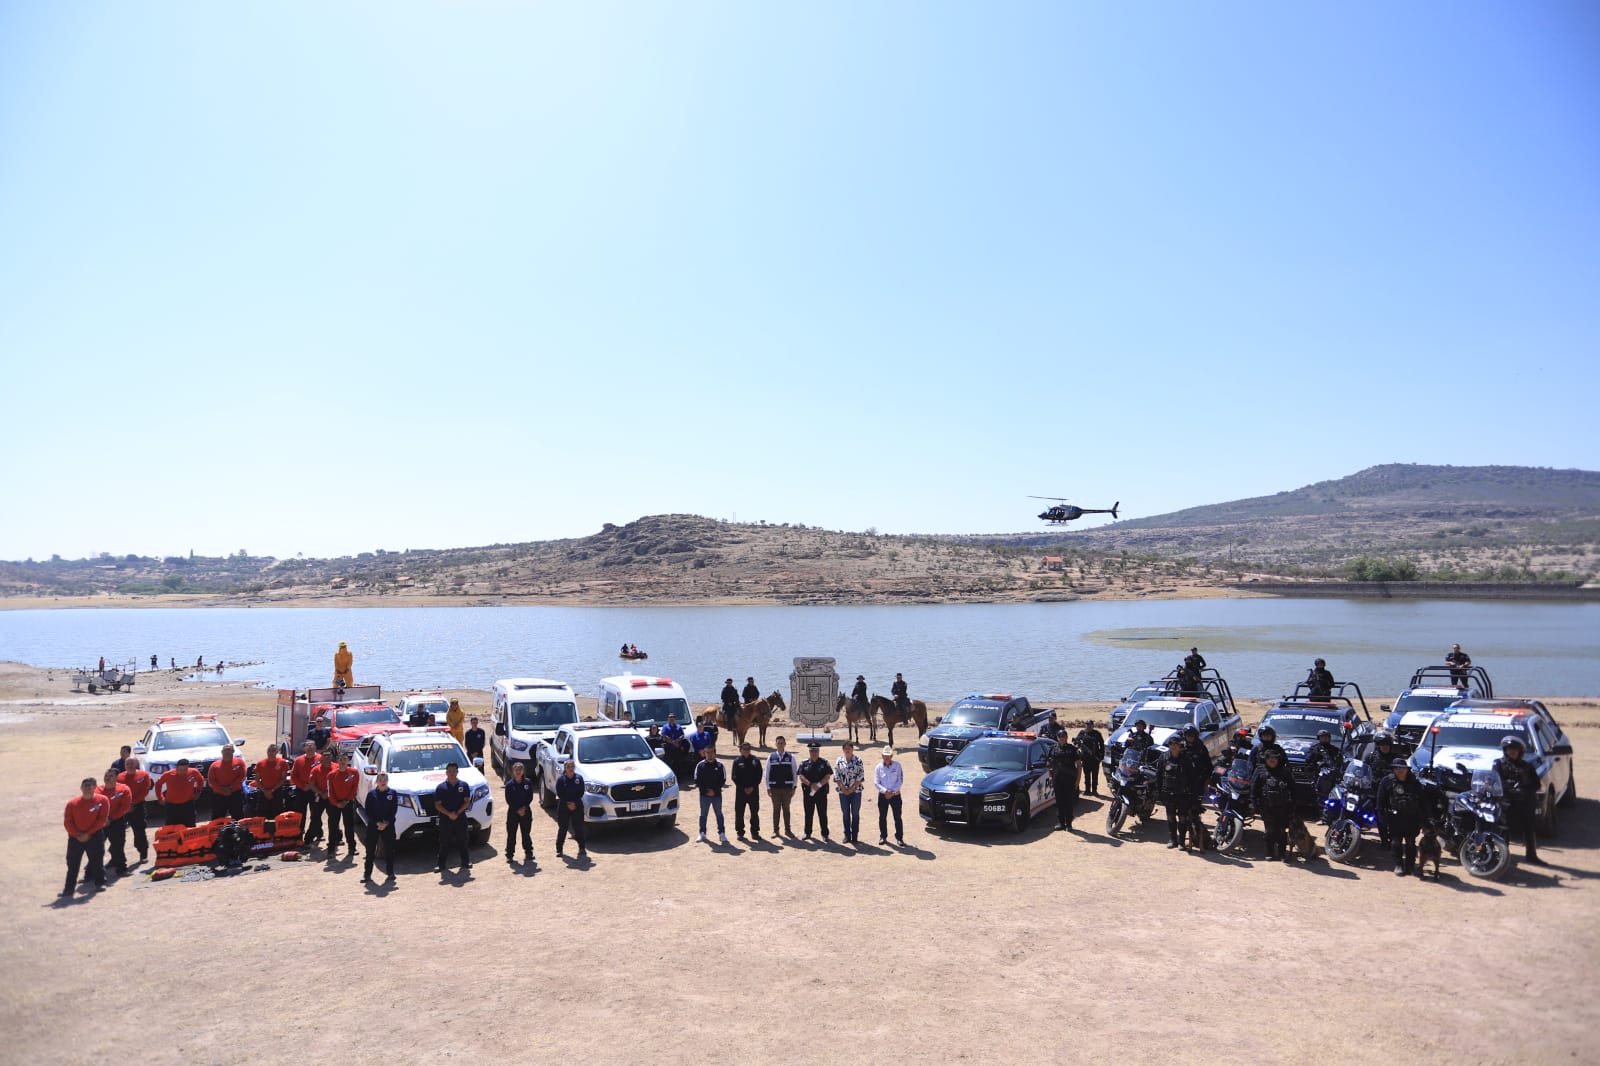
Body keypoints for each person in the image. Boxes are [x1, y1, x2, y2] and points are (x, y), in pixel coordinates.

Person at [1495, 736, 1542, 864]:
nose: (1512, 752)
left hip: (1525, 802)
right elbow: (1496, 781)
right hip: (1507, 803)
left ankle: (1531, 856)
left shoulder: (1527, 766)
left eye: (1515, 749)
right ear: (1505, 750)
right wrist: (1509, 787)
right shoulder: (1498, 764)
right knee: (1504, 830)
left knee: (1529, 828)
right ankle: (1503, 857)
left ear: (1520, 751)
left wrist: (1523, 788)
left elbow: (1537, 784)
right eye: (1509, 749)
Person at [1376, 758, 1425, 876]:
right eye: (1396, 768)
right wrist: (1381, 818)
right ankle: (1398, 864)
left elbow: (1423, 801)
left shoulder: (1414, 783)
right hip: (1394, 818)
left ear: (1407, 769)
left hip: (1411, 818)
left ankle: (1410, 865)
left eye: (1402, 768)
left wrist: (1425, 819)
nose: (1400, 771)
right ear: (1393, 769)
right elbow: (1380, 801)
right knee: (1396, 842)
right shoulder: (1387, 782)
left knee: (1410, 843)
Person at [62, 777, 109, 896]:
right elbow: (68, 822)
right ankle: (68, 889)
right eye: (85, 786)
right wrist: (77, 835)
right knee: (73, 864)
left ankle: (100, 883)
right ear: (81, 788)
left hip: (94, 835)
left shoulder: (102, 800)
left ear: (95, 787)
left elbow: (102, 819)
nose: (87, 788)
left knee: (97, 861)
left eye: (90, 785)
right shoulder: (72, 804)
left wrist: (88, 834)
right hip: (75, 838)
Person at [1251, 750, 1297, 862]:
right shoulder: (1260, 770)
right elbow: (1254, 787)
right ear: (1266, 759)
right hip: (1266, 806)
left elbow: (1293, 788)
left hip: (1283, 806)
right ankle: (1269, 853)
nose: (1272, 761)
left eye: (1275, 758)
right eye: (1270, 758)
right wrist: (1254, 803)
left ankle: (1282, 854)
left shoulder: (1285, 771)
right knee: (1269, 831)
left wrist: (1293, 805)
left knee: (1281, 831)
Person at [433, 763, 472, 873]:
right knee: (444, 841)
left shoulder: (463, 785)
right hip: (445, 818)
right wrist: (449, 814)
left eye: (454, 771)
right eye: (449, 771)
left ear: (457, 772)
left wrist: (457, 813)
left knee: (463, 840)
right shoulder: (441, 787)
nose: (452, 773)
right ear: (446, 772)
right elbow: (437, 805)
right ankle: (441, 865)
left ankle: (465, 862)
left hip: (460, 817)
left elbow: (467, 802)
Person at [362, 772, 399, 883]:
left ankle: (390, 873)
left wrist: (386, 823)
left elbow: (394, 810)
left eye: (385, 780)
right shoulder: (371, 794)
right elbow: (368, 811)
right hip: (374, 826)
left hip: (388, 826)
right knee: (370, 850)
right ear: (376, 782)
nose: (383, 782)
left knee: (389, 850)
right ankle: (367, 875)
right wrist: (377, 823)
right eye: (380, 780)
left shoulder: (393, 793)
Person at [97, 768, 134, 875]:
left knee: (118, 846)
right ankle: (91, 872)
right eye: (106, 776)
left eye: (110, 776)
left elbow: (125, 807)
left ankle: (122, 868)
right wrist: (103, 820)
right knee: (96, 847)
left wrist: (111, 818)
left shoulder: (124, 789)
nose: (107, 778)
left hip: (117, 821)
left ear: (116, 778)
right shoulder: (98, 790)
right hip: (101, 823)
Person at [117, 757, 153, 865]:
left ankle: (143, 853)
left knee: (139, 831)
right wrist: (126, 806)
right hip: (123, 809)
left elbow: (145, 791)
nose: (129, 766)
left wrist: (132, 804)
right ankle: (117, 859)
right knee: (118, 834)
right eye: (127, 764)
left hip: (138, 807)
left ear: (136, 764)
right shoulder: (119, 777)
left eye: (132, 763)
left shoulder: (144, 775)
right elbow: (117, 792)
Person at [325, 752, 361, 855]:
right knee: (333, 826)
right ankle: (331, 849)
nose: (342, 761)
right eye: (340, 759)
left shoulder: (354, 773)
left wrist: (347, 800)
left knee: (349, 826)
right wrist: (336, 803)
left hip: (348, 803)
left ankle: (352, 848)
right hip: (334, 804)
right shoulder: (331, 775)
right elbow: (330, 791)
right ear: (337, 761)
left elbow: (354, 788)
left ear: (348, 760)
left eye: (345, 759)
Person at [693, 745, 729, 844]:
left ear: (715, 753)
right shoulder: (700, 765)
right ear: (704, 753)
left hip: (717, 795)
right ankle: (702, 833)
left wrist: (715, 791)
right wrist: (706, 791)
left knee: (719, 814)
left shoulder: (720, 765)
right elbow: (697, 779)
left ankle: (722, 833)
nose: (709, 754)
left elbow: (723, 779)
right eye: (707, 752)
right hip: (704, 795)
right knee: (703, 815)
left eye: (711, 752)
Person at [155, 758, 205, 827]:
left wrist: (198, 792)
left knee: (190, 826)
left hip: (188, 804)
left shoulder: (193, 772)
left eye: (185, 769)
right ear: (177, 768)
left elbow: (200, 780)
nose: (183, 772)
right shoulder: (168, 775)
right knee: (171, 827)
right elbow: (158, 784)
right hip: (172, 806)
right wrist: (160, 798)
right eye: (181, 769)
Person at [553, 758, 589, 858]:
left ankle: (582, 848)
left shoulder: (579, 778)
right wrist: (568, 803)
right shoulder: (561, 780)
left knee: (578, 827)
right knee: (563, 828)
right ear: (565, 768)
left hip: (577, 805)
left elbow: (581, 792)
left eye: (572, 766)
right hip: (564, 806)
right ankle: (559, 849)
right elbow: (559, 793)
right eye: (568, 767)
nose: (570, 768)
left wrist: (574, 803)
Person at [798, 743, 833, 840]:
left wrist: (818, 785)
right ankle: (807, 833)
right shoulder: (804, 763)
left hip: (821, 792)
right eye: (812, 751)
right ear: (809, 752)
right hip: (808, 793)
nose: (814, 753)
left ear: (818, 751)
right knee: (808, 813)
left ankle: (825, 834)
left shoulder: (824, 762)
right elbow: (801, 776)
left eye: (816, 751)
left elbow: (828, 776)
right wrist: (810, 784)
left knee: (822, 814)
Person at [290, 740, 321, 844]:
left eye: (312, 745)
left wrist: (314, 786)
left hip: (315, 791)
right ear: (304, 748)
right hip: (301, 790)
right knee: (300, 814)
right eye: (307, 746)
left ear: (315, 747)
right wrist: (302, 786)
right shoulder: (298, 760)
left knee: (315, 814)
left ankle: (317, 833)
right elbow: (294, 776)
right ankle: (299, 835)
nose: (310, 747)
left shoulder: (320, 759)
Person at [504, 761, 536, 864]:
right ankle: (509, 855)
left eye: (520, 770)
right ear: (513, 771)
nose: (518, 772)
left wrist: (524, 808)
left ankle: (529, 852)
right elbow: (508, 799)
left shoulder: (528, 783)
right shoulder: (509, 785)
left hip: (526, 812)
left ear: (523, 771)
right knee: (511, 834)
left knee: (526, 833)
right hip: (513, 813)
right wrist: (517, 809)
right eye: (516, 770)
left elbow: (530, 797)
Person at [730, 741, 764, 839]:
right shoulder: (737, 761)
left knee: (754, 812)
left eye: (748, 749)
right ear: (740, 750)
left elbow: (759, 775)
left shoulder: (756, 761)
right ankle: (740, 833)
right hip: (741, 792)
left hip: (753, 792)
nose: (746, 751)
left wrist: (752, 787)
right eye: (744, 749)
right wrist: (743, 788)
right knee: (739, 812)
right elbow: (734, 777)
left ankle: (755, 832)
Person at [1048, 735, 1082, 831]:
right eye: (1059, 736)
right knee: (1059, 802)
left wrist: (1078, 780)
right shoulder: (1053, 749)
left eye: (1063, 736)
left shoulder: (1072, 749)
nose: (1061, 738)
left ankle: (1069, 824)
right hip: (1057, 779)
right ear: (1057, 738)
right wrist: (1050, 776)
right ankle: (1061, 823)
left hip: (1069, 779)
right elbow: (1050, 763)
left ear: (1067, 737)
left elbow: (1079, 765)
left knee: (1068, 802)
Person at [834, 741, 865, 845]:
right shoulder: (839, 761)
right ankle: (847, 835)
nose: (847, 750)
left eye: (849, 748)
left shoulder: (858, 760)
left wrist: (852, 788)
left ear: (852, 749)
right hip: (843, 792)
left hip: (856, 791)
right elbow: (836, 776)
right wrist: (843, 788)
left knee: (855, 814)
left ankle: (855, 836)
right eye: (846, 748)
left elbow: (861, 776)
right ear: (843, 749)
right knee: (845, 814)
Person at [208, 744, 248, 821]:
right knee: (217, 818)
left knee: (238, 816)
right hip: (219, 795)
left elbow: (242, 776)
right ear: (222, 752)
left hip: (235, 794)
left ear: (233, 751)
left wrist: (231, 788)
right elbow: (211, 781)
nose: (227, 751)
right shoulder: (214, 765)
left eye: (229, 749)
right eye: (225, 750)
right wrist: (222, 790)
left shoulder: (239, 762)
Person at [766, 736, 797, 836]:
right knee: (776, 809)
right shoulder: (771, 757)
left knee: (786, 809)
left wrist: (794, 787)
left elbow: (794, 772)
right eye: (778, 743)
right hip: (774, 788)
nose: (780, 745)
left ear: (785, 744)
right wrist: (768, 787)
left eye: (782, 743)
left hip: (787, 788)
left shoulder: (791, 757)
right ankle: (776, 830)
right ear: (775, 744)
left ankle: (788, 830)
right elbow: (767, 773)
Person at [875, 747, 905, 845]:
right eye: (885, 755)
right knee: (882, 817)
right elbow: (876, 782)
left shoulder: (897, 766)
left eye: (888, 756)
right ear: (882, 756)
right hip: (883, 795)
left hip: (895, 795)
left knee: (897, 817)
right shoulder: (878, 767)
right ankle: (883, 836)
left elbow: (900, 780)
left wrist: (892, 792)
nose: (887, 757)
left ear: (892, 756)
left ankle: (899, 838)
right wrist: (885, 791)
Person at [253, 744, 290, 818]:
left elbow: (283, 779)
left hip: (277, 792)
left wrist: (272, 790)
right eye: (269, 750)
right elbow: (257, 779)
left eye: (273, 751)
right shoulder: (260, 763)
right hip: (263, 791)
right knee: (261, 814)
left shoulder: (282, 763)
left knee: (278, 814)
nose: (271, 752)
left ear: (277, 752)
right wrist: (265, 791)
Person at [1074, 723, 1105, 795]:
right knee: (1087, 775)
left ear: (1093, 726)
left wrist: (1101, 756)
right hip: (1085, 758)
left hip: (1095, 758)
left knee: (1095, 775)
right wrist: (1078, 745)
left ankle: (1094, 790)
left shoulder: (1097, 733)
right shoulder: (1082, 733)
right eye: (1087, 725)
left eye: (1090, 725)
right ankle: (1087, 790)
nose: (1089, 726)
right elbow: (1076, 742)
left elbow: (1102, 745)